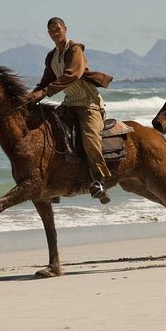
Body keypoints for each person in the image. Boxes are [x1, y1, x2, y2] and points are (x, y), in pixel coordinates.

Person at [28, 17, 113, 204]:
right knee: (49, 134)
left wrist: (45, 92)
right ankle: (53, 184)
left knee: (90, 139)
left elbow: (72, 75)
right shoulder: (51, 57)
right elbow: (45, 81)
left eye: (57, 29)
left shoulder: (75, 49)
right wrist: (29, 97)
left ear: (65, 29)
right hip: (69, 103)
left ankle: (100, 180)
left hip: (88, 103)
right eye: (51, 30)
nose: (55, 33)